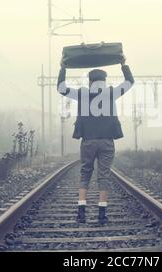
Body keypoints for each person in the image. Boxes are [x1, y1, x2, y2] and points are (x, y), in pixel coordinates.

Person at [57, 57, 134, 224]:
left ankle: (81, 214)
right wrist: (123, 64)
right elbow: (129, 81)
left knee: (85, 174)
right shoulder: (111, 92)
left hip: (88, 142)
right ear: (104, 81)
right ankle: (101, 214)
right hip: (107, 142)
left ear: (90, 81)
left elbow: (61, 88)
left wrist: (63, 68)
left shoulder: (82, 93)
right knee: (104, 176)